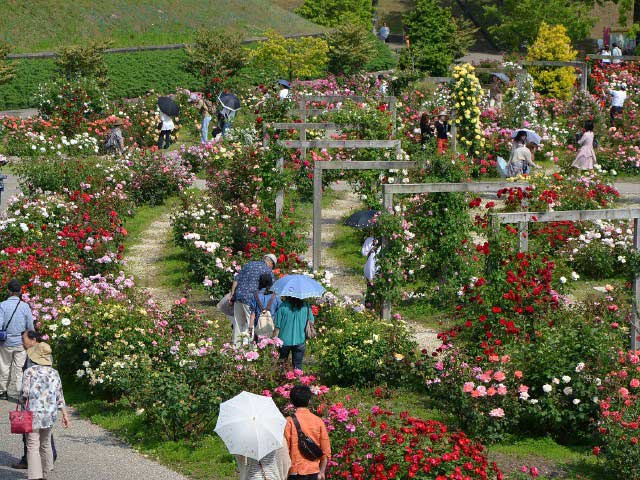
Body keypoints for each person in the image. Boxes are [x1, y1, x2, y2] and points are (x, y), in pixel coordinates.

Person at [21, 342, 70, 480]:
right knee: (46, 443)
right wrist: (65, 414)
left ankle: (36, 477)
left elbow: (24, 393)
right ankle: (45, 473)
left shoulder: (29, 371)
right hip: (49, 414)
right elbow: (59, 395)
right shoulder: (55, 373)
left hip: (32, 413)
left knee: (32, 445)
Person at [12, 330, 57, 471]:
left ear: (33, 339)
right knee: (43, 435)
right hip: (47, 405)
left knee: (33, 436)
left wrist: (22, 399)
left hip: (34, 403)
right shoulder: (40, 352)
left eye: (23, 339)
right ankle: (43, 463)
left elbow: (29, 385)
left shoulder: (35, 357)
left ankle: (34, 463)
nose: (22, 342)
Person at [284, 385, 331, 480]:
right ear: (309, 401)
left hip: (295, 472)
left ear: (292, 401)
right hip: (314, 471)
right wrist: (321, 472)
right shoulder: (318, 421)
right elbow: (325, 451)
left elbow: (284, 451)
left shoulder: (289, 422)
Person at [230, 255, 277, 346]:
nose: (272, 268)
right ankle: (247, 348)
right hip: (251, 299)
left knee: (238, 324)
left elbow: (236, 280)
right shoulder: (267, 270)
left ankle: (236, 348)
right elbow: (272, 286)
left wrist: (232, 294)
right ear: (270, 263)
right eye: (273, 266)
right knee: (249, 324)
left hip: (238, 297)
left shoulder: (249, 264)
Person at [0, 279, 34, 400]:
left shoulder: (2, 305)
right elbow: (30, 326)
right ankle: (20, 393)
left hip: (5, 343)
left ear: (8, 290)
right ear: (20, 292)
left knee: (4, 366)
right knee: (19, 369)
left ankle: (2, 392)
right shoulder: (25, 306)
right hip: (21, 342)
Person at [273, 297, 313, 371]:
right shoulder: (306, 306)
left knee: (282, 364)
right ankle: (297, 381)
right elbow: (311, 322)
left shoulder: (283, 306)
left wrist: (274, 341)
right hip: (300, 340)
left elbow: (277, 326)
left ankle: (281, 380)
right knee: (298, 365)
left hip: (283, 341)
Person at [250, 273, 281, 340]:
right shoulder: (276, 296)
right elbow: (279, 312)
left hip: (258, 327)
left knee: (259, 347)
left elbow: (253, 313)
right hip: (272, 327)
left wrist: (250, 327)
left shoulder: (255, 295)